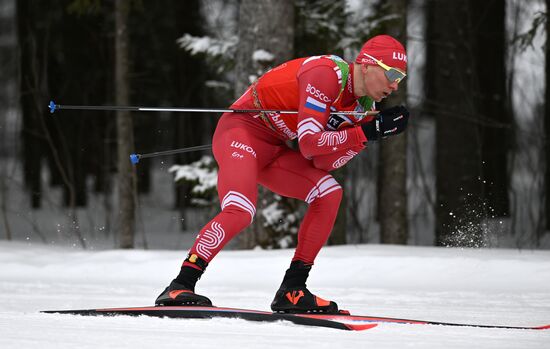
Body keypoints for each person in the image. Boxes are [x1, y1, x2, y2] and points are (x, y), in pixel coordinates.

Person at [156, 34, 409, 314]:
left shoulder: (363, 110)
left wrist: (365, 137)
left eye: (401, 77)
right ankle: (180, 284)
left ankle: (293, 289)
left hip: (273, 148)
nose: (395, 85)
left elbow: (324, 164)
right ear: (366, 64)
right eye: (392, 74)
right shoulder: (327, 74)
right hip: (240, 131)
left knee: (329, 192)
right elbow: (309, 143)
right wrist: (365, 132)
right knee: (241, 210)